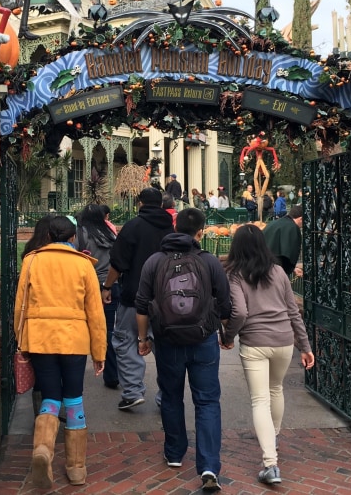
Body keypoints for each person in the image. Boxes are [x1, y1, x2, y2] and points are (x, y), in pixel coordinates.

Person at [136, 208, 232, 492]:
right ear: (200, 232)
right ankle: (209, 465)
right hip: (203, 340)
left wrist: (143, 339)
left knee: (171, 395)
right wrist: (224, 332)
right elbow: (225, 305)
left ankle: (175, 452)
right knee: (207, 401)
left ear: (175, 226)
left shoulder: (155, 261)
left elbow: (142, 305)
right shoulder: (209, 262)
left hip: (168, 341)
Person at [14, 215, 107, 488]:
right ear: (72, 237)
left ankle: (42, 450)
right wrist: (99, 352)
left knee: (51, 397)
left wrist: (22, 341)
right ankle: (76, 468)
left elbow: (20, 306)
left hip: (40, 339)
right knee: (74, 399)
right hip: (74, 341)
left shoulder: (31, 261)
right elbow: (96, 314)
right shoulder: (83, 265)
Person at [221, 224, 315, 486]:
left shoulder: (236, 274)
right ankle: (272, 439)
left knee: (259, 399)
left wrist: (228, 337)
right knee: (276, 390)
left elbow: (238, 312)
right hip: (284, 340)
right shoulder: (278, 271)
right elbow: (293, 311)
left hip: (254, 342)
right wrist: (305, 347)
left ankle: (270, 463)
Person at [102, 187, 174, 410]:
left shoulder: (133, 226)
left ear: (140, 203)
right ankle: (166, 395)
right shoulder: (170, 229)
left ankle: (133, 391)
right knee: (165, 346)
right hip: (165, 299)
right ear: (161, 205)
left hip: (134, 296)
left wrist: (107, 286)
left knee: (125, 342)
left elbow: (118, 262)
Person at [76, 204, 119, 390]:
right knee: (107, 330)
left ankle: (75, 373)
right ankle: (112, 374)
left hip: (89, 286)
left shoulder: (81, 234)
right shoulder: (110, 234)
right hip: (110, 285)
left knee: (80, 328)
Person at [21, 214, 56, 416]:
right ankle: (54, 411)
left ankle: (42, 414)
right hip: (59, 318)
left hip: (36, 318)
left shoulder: (29, 252)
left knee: (41, 370)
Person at [262, 205, 303, 277]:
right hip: (276, 270)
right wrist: (291, 268)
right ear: (301, 219)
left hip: (262, 264)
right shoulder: (293, 228)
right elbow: (289, 254)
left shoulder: (274, 223)